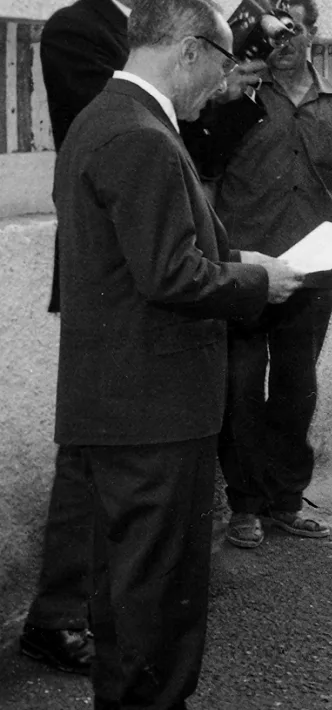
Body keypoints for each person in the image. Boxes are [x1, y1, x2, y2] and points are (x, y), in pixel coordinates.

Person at [52, 0, 303, 705]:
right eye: (222, 64)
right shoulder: (141, 135)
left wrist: (238, 257)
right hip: (153, 410)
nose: (224, 82)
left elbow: (140, 249)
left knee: (129, 591)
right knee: (155, 602)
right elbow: (170, 275)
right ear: (189, 50)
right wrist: (258, 281)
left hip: (125, 402)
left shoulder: (106, 118)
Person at [212, 0, 332, 549]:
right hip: (247, 270)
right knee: (241, 386)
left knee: (296, 387)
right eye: (269, 32)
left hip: (312, 274)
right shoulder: (240, 98)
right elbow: (208, 178)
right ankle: (244, 506)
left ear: (313, 34)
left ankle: (285, 501)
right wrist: (225, 253)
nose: (280, 42)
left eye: (291, 29)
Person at [20, 0, 132, 675]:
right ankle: (56, 615)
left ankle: (106, 602)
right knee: (90, 448)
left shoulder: (157, 27)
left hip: (169, 261)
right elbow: (110, 136)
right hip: (108, 271)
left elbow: (203, 148)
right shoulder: (80, 29)